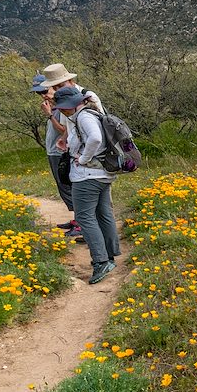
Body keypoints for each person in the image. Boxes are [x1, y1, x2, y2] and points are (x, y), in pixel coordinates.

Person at [52, 85, 121, 285]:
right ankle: (109, 255)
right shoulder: (93, 112)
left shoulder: (83, 117)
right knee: (103, 213)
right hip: (102, 174)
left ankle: (101, 261)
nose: (63, 111)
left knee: (84, 217)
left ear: (71, 105)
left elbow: (95, 138)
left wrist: (82, 159)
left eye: (63, 108)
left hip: (88, 176)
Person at [31, 73, 80, 239]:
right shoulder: (55, 104)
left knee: (67, 185)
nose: (43, 95)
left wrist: (50, 115)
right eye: (39, 93)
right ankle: (76, 220)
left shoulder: (63, 106)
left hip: (60, 152)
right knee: (63, 186)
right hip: (53, 151)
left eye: (45, 90)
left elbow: (64, 130)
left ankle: (79, 222)